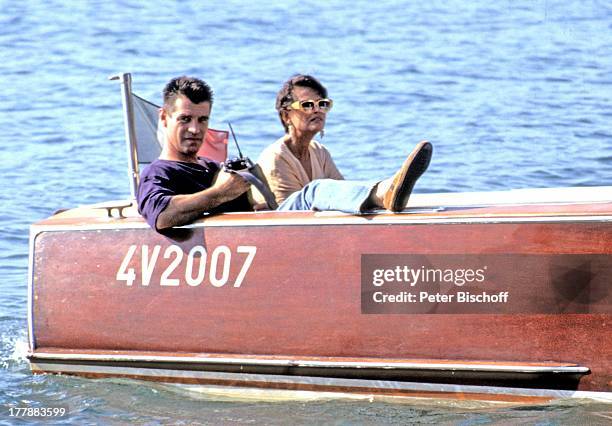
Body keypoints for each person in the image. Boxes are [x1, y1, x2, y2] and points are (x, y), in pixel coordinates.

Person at [137, 76, 432, 232]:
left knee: (326, 194)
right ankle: (382, 193)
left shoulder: (211, 166)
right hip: (271, 236)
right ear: (164, 118)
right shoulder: (158, 173)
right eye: (185, 119)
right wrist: (221, 191)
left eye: (202, 120)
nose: (194, 129)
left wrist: (246, 183)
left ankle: (382, 199)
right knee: (314, 191)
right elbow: (162, 215)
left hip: (260, 233)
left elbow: (251, 206)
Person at [256, 74, 343, 204]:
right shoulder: (276, 158)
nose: (317, 110)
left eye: (322, 104)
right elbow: (291, 213)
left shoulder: (319, 151)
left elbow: (343, 194)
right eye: (307, 105)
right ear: (286, 116)